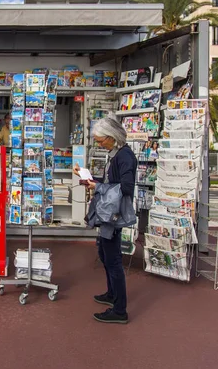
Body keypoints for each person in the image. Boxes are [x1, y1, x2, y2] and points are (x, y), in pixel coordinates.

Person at [74, 115, 137, 324]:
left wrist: (98, 187)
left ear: (112, 137)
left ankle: (120, 310)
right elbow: (112, 182)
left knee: (113, 260)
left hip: (114, 215)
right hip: (109, 213)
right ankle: (112, 294)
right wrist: (89, 179)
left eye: (101, 141)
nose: (99, 145)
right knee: (104, 252)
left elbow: (126, 187)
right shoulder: (115, 154)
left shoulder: (124, 157)